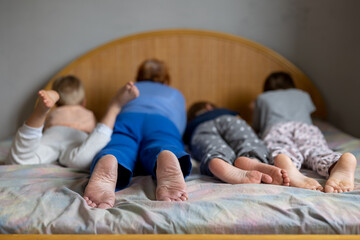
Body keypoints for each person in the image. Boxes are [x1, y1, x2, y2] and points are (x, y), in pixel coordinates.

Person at [83, 59, 192, 209]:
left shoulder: (129, 89)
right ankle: (166, 153)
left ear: (139, 76)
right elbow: (180, 126)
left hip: (127, 119)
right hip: (161, 121)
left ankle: (112, 158)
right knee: (164, 141)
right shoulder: (175, 94)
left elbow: (115, 111)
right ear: (166, 79)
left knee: (120, 145)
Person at [253, 71, 357, 193]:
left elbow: (257, 126)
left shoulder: (262, 98)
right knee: (316, 149)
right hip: (305, 128)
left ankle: (287, 163)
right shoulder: (303, 95)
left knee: (281, 147)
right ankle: (335, 163)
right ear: (291, 84)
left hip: (277, 128)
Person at [7, 75, 139, 170]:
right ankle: (114, 107)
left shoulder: (56, 112)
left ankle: (40, 113)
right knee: (83, 161)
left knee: (20, 159)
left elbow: (44, 131)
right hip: (78, 136)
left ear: (57, 104)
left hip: (53, 133)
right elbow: (94, 136)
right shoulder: (88, 114)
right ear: (84, 102)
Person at [184, 101, 290, 185]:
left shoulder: (190, 127)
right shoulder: (224, 111)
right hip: (229, 120)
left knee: (213, 146)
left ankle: (218, 159)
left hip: (200, 129)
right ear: (208, 107)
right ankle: (253, 159)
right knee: (247, 141)